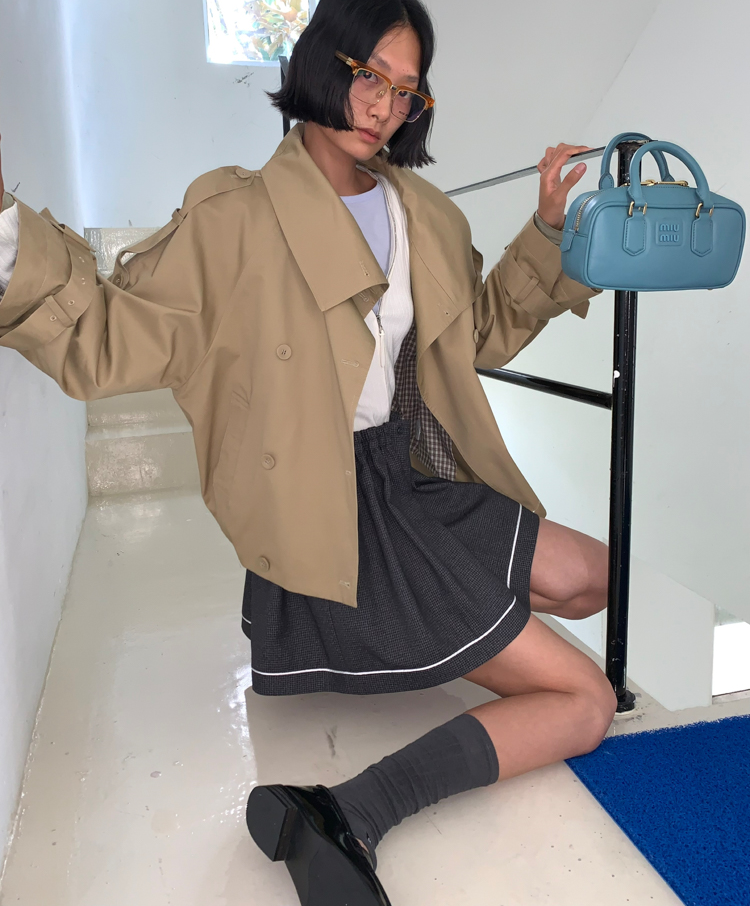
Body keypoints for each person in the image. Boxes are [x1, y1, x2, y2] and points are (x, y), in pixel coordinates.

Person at [0, 0, 615, 903]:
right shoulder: (235, 216)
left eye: (405, 91)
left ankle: (455, 624)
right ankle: (347, 809)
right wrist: (7, 233)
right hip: (335, 510)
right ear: (325, 63)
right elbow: (109, 335)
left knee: (599, 579)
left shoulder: (424, 213)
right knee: (586, 702)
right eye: (368, 75)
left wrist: (551, 228)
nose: (382, 106)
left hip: (416, 473)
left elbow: (477, 335)